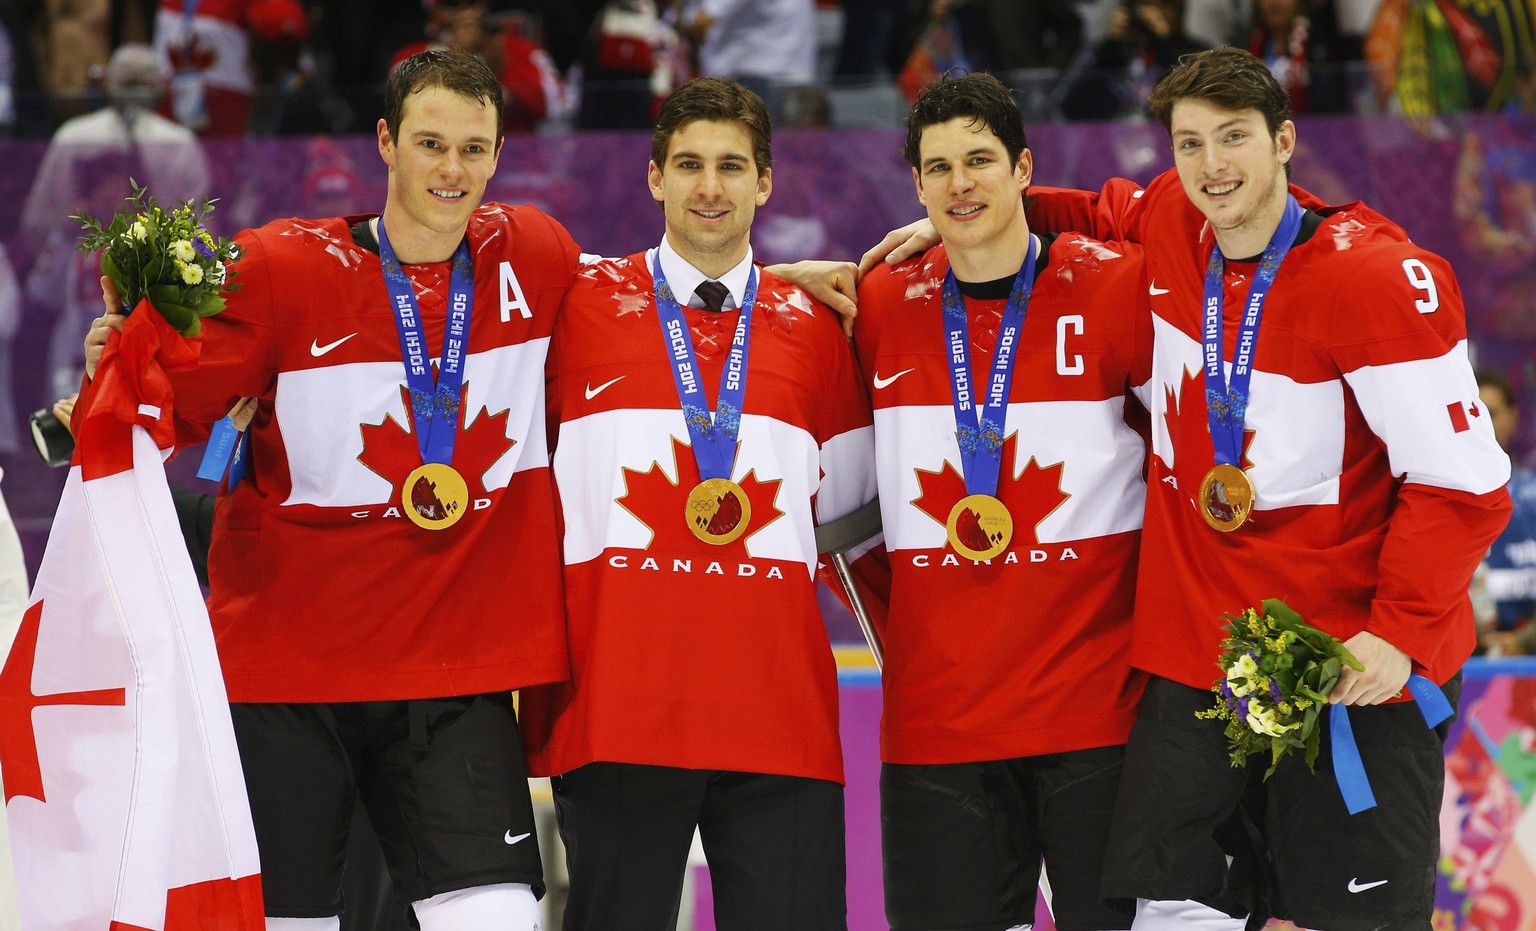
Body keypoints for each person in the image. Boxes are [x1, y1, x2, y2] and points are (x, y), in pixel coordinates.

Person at [79, 48, 861, 930]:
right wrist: (108, 375)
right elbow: (158, 394)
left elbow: (688, 289)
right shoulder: (282, 268)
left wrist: (779, 286)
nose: (451, 169)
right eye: (430, 143)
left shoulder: (533, 258)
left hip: (456, 686)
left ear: (496, 156)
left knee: (500, 918)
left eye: (473, 148)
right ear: (386, 141)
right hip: (292, 680)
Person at [863, 44, 1512, 931]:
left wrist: (1398, 629)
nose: (1213, 166)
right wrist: (972, 216)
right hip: (1199, 670)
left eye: (1235, 138)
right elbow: (1098, 207)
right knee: (1173, 911)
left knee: (1351, 918)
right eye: (1191, 143)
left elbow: (1466, 483)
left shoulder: (1373, 281)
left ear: (1285, 141)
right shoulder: (1174, 221)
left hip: (1347, 672)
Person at [519, 76, 876, 931]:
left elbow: (855, 534)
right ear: (653, 178)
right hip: (616, 709)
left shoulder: (820, 329)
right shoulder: (573, 308)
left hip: (779, 717)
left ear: (765, 183)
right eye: (687, 165)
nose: (708, 187)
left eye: (729, 166)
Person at [853, 71, 1149, 931]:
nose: (960, 183)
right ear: (915, 184)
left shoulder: (1117, 285)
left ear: (1025, 168)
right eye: (939, 167)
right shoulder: (875, 303)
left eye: (981, 159)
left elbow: (1210, 222)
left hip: (1097, 711)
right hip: (940, 722)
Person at [21, 42, 210, 404]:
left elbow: (202, 245)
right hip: (76, 330)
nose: (115, 198)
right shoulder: (74, 139)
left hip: (156, 316)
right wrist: (66, 246)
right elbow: (39, 229)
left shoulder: (180, 143)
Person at [1475, 367, 1536, 655]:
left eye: (1492, 412)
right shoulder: (1432, 498)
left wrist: (1522, 642)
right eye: (1473, 413)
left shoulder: (1532, 496)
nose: (1482, 424)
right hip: (1456, 656)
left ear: (1514, 417)